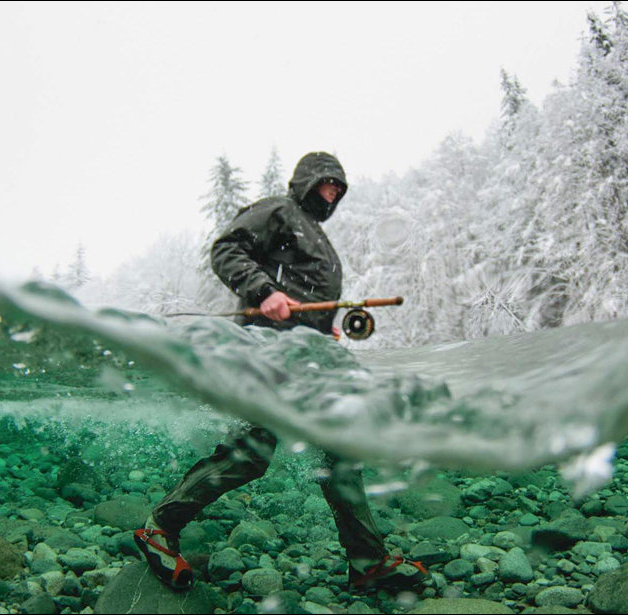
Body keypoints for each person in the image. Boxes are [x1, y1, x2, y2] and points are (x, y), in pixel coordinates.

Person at [134, 152, 426, 593]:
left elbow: (308, 300)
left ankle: (367, 561)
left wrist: (325, 332)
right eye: (327, 184)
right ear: (308, 181)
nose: (333, 194)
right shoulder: (278, 211)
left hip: (307, 362)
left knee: (340, 454)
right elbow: (226, 249)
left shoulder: (319, 238)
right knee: (251, 454)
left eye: (339, 190)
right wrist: (264, 291)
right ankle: (158, 527)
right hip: (266, 354)